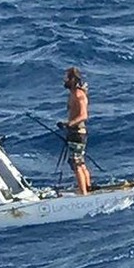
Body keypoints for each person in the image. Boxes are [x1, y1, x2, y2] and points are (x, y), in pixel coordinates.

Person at [58, 66, 92, 195]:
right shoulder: (72, 94)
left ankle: (83, 193)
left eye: (66, 78)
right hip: (73, 132)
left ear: (72, 79)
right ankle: (88, 188)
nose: (64, 80)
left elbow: (83, 115)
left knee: (76, 162)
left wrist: (69, 124)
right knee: (80, 162)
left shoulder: (78, 94)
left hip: (78, 133)